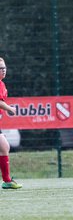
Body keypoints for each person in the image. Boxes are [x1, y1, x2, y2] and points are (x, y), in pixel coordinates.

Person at [0, 57, 22, 189]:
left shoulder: (1, 84)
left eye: (4, 68)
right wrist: (10, 109)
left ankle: (7, 180)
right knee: (4, 147)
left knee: (4, 147)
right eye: (0, 68)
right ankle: (7, 180)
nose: (3, 70)